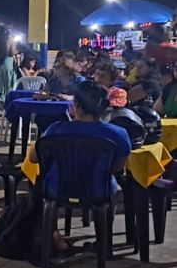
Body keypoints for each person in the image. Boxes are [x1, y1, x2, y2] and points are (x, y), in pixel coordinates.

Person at [27, 81, 131, 254]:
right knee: (115, 186)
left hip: (57, 188)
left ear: (76, 104)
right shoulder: (118, 134)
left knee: (40, 183)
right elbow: (117, 168)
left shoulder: (56, 129)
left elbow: (33, 158)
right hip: (98, 189)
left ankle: (53, 235)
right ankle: (103, 240)